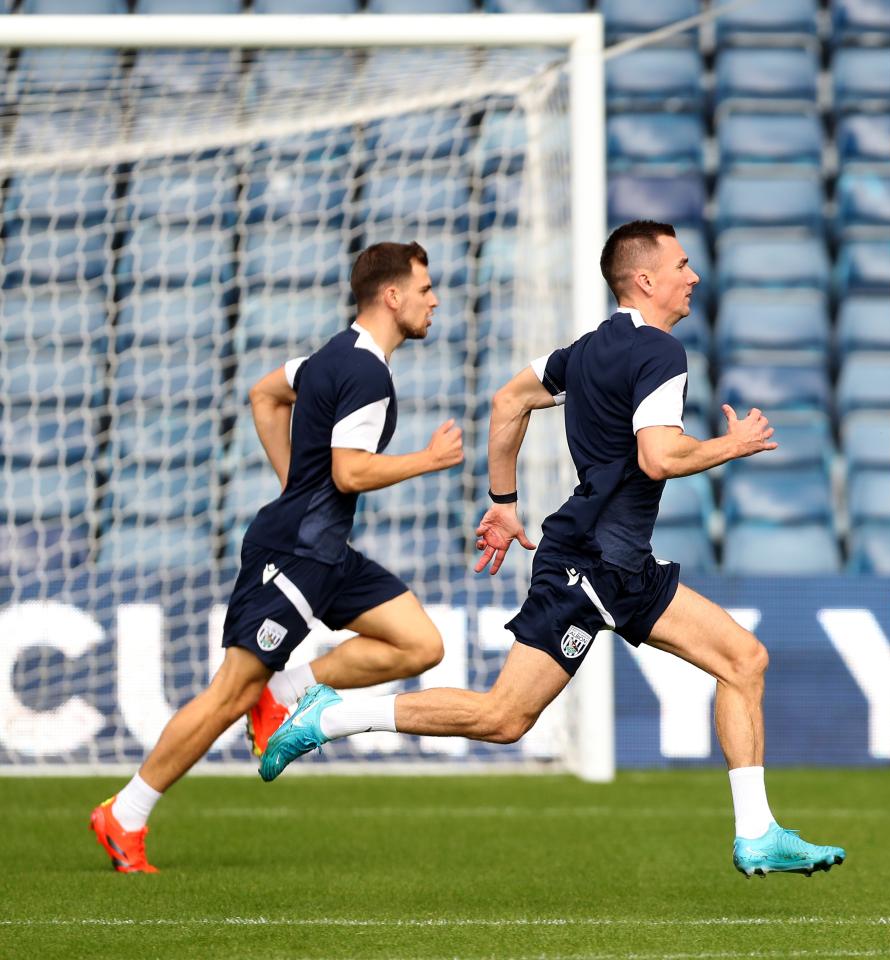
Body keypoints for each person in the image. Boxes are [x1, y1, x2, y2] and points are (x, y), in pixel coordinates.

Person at [258, 221, 845, 878]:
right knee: (504, 717)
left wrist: (503, 502)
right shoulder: (659, 353)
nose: (693, 277)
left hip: (620, 565)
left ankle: (757, 831)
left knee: (743, 659)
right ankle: (338, 713)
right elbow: (658, 456)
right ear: (645, 280)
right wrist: (728, 447)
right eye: (682, 265)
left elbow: (510, 399)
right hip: (588, 565)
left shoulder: (585, 351)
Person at [89, 242, 463, 874]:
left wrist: (295, 485)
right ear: (392, 296)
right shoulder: (367, 372)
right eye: (425, 288)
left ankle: (287, 693)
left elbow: (265, 395)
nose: (434, 300)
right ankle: (125, 814)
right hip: (292, 555)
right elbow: (348, 473)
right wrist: (425, 461)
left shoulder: (326, 358)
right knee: (231, 692)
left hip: (322, 550)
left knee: (419, 643)